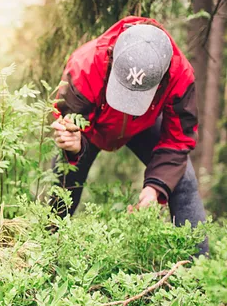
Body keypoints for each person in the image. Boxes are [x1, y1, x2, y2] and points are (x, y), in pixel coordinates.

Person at [51, 16, 207, 254]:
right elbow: (67, 120)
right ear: (113, 58)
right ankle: (46, 251)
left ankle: (197, 269)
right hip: (91, 128)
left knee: (182, 180)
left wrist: (155, 187)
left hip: (142, 125)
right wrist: (72, 144)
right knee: (64, 178)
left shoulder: (179, 75)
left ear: (163, 77)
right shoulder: (86, 64)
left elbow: (178, 139)